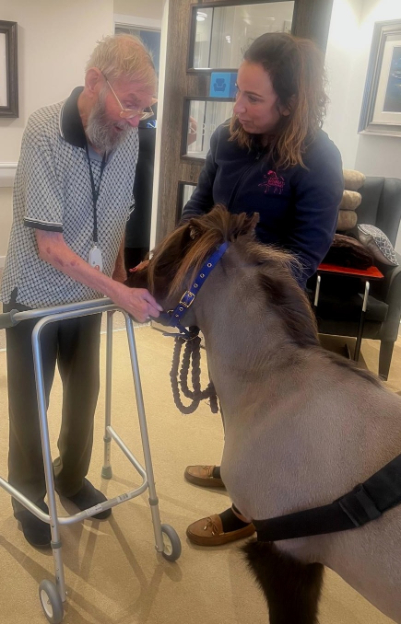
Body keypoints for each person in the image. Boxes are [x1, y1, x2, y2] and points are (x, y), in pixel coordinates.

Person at [180, 32, 344, 546]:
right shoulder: (226, 140)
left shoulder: (318, 157)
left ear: (289, 103)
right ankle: (236, 471)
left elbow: (307, 251)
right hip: (221, 304)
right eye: (239, 93)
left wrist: (249, 301)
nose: (239, 107)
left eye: (254, 98)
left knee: (266, 416)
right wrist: (187, 255)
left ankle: (249, 509)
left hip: (273, 314)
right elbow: (198, 205)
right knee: (232, 400)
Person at [0, 34, 162, 549]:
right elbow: (49, 245)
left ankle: (70, 480)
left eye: (145, 107)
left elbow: (115, 219)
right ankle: (28, 494)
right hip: (35, 298)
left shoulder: (128, 134)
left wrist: (124, 278)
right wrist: (116, 290)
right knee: (32, 406)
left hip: (88, 298)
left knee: (84, 397)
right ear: (96, 82)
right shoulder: (45, 130)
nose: (136, 118)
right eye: (131, 103)